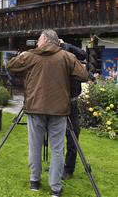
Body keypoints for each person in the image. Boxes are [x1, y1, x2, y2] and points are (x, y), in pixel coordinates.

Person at [7, 30, 88, 197]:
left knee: (35, 146)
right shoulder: (66, 56)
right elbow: (84, 75)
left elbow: (11, 65)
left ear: (44, 40)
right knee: (57, 149)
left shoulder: (30, 56)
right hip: (59, 109)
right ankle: (55, 188)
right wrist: (66, 49)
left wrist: (24, 54)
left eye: (38, 40)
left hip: (36, 107)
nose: (37, 43)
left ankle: (34, 182)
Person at [59, 40, 87, 180]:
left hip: (72, 104)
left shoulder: (75, 62)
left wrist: (67, 45)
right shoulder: (57, 60)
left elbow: (84, 54)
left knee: (72, 137)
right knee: (56, 137)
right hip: (58, 104)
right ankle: (58, 165)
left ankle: (69, 169)